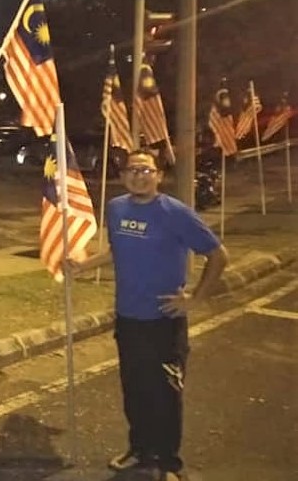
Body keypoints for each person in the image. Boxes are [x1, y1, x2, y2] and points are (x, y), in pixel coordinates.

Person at [66, 149, 228, 481]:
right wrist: (83, 265)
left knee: (166, 394)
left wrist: (196, 298)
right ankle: (139, 449)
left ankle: (168, 463)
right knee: (135, 390)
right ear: (122, 176)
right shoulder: (116, 208)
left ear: (158, 176)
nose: (139, 176)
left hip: (164, 323)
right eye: (132, 170)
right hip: (128, 318)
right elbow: (117, 249)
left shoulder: (175, 213)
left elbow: (218, 255)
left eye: (146, 170)